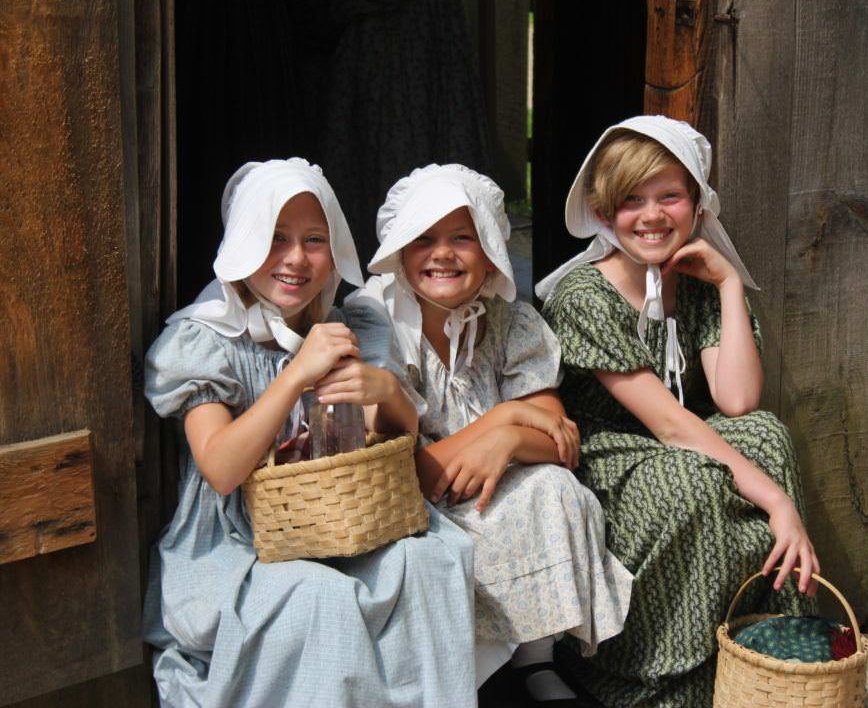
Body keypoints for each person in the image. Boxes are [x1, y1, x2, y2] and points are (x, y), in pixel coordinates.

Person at [142, 158, 478, 707]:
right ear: (243, 244)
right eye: (275, 238)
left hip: (337, 519)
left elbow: (388, 436)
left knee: (430, 560)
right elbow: (223, 470)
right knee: (320, 596)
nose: (296, 258)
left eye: (314, 239)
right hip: (236, 543)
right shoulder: (205, 339)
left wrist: (385, 391)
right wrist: (296, 373)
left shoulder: (351, 325)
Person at [537, 116, 820, 707]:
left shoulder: (695, 283)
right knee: (688, 478)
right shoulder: (583, 296)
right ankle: (663, 685)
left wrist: (728, 286)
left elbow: (737, 402)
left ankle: (780, 656)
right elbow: (667, 422)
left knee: (764, 434)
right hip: (608, 456)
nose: (652, 215)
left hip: (681, 442)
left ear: (696, 203)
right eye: (631, 200)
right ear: (604, 211)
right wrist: (777, 500)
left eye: (670, 196)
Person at [346, 163, 633, 706]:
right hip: (405, 503)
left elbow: (559, 440)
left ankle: (534, 657)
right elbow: (409, 473)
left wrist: (507, 444)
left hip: (482, 488)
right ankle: (463, 677)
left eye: (463, 237)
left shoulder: (507, 320)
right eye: (424, 239)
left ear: (491, 250)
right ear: (400, 249)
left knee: (556, 489)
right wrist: (501, 421)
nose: (442, 254)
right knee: (439, 549)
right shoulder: (378, 320)